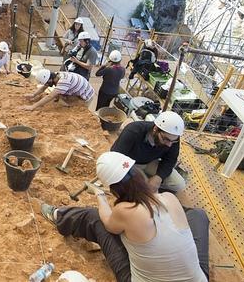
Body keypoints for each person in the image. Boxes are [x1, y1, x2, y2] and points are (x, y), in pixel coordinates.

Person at [40, 152, 209, 282]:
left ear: (114, 190)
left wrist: (99, 194)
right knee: (198, 215)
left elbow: (106, 222)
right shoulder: (170, 198)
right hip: (199, 279)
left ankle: (58, 215)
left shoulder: (126, 211)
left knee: (94, 217)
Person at [111, 111, 186, 193]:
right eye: (166, 139)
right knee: (144, 189)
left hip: (150, 162)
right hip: (130, 163)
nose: (169, 145)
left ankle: (148, 182)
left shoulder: (172, 138)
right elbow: (116, 157)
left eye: (173, 141)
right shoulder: (133, 131)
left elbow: (170, 160)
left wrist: (159, 177)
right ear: (155, 129)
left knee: (179, 184)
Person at [21, 69, 94, 111]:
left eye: (47, 82)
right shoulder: (56, 75)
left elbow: (49, 97)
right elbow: (44, 87)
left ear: (50, 79)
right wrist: (33, 95)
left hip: (86, 95)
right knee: (59, 97)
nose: (46, 84)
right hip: (77, 90)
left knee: (75, 109)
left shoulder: (63, 82)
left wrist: (33, 106)